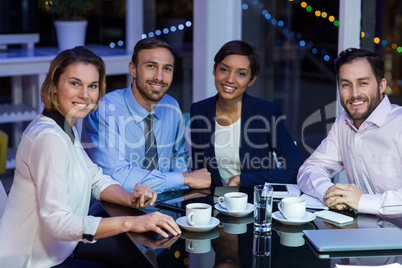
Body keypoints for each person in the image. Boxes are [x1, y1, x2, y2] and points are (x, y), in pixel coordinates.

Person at [0, 46, 181, 268]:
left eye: (92, 86)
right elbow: (58, 223)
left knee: (138, 253)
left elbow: (94, 176)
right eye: (75, 83)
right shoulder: (49, 139)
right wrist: (131, 222)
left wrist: (129, 198)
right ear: (54, 85)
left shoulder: (64, 126)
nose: (85, 95)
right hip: (34, 261)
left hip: (61, 248)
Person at [82, 37, 211, 193]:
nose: (159, 77)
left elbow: (179, 157)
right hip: (112, 210)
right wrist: (185, 178)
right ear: (133, 69)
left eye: (167, 69)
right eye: (151, 66)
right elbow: (116, 177)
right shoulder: (105, 110)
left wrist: (179, 190)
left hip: (165, 205)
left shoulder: (171, 106)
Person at [297, 48, 402, 216]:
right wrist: (330, 192)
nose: (354, 94)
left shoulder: (399, 124)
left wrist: (361, 201)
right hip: (360, 233)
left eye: (363, 83)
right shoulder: (343, 123)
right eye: (346, 84)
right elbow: (310, 169)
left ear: (381, 85)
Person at [190, 40, 303, 187]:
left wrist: (242, 180)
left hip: (256, 203)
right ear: (214, 69)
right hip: (216, 204)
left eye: (241, 74)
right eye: (224, 69)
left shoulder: (266, 113)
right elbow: (200, 171)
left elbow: (294, 168)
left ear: (251, 80)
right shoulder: (199, 111)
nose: (230, 79)